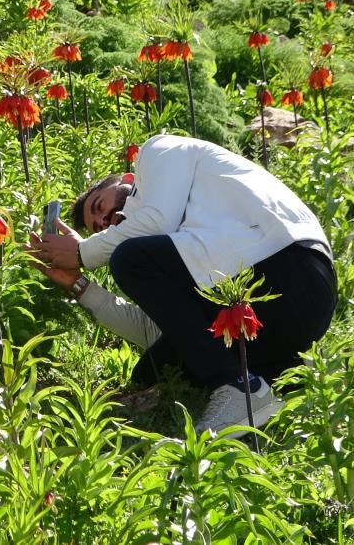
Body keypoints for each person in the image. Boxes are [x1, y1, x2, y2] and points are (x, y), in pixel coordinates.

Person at [29, 134, 337, 433]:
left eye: (100, 205)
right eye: (101, 226)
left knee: (128, 259)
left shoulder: (160, 149)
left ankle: (238, 388)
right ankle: (278, 379)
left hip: (293, 268)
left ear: (125, 178)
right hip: (281, 309)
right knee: (157, 364)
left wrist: (83, 252)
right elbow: (164, 329)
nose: (108, 219)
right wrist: (78, 285)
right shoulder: (179, 250)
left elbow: (157, 219)